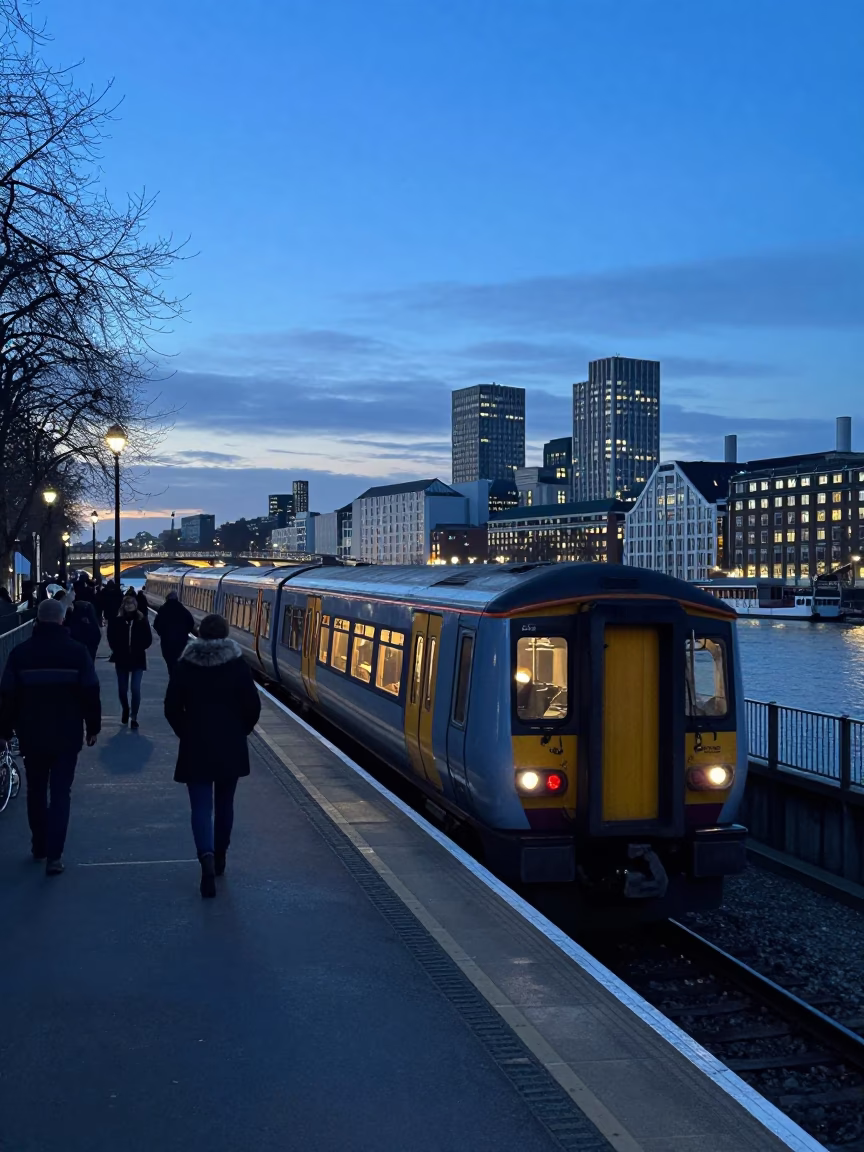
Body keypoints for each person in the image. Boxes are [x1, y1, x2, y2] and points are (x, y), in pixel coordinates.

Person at [0, 597, 100, 874]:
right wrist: (93, 726)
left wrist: (4, 730)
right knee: (60, 793)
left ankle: (39, 846)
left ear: (37, 620)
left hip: (31, 732)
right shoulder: (77, 652)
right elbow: (90, 691)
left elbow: (8, 695)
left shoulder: (20, 653)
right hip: (67, 732)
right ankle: (55, 855)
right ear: (61, 619)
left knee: (36, 789)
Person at [164, 613, 260, 898]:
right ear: (226, 634)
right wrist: (240, 731)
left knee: (201, 807)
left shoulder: (185, 665)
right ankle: (220, 856)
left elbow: (171, 707)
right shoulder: (238, 666)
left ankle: (205, 857)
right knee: (225, 803)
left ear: (200, 634)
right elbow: (252, 707)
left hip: (196, 745)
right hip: (230, 745)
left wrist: (186, 732)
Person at [107, 593, 152, 729]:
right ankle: (125, 708)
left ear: (135, 605)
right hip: (121, 658)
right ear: (123, 605)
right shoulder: (117, 621)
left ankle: (134, 716)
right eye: (127, 604)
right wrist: (117, 648)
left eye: (131, 604)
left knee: (135, 689)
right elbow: (111, 637)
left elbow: (148, 638)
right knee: (122, 689)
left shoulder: (141, 620)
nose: (129, 606)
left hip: (137, 658)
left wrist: (139, 647)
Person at [153, 591, 195, 676]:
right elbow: (191, 623)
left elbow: (156, 625)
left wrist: (162, 633)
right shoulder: (183, 610)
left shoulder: (163, 609)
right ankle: (177, 677)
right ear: (177, 599)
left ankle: (172, 676)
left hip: (166, 641)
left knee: (170, 662)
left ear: (167, 599)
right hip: (181, 641)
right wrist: (184, 633)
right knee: (179, 660)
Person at [63, 589, 102, 663]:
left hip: (75, 647)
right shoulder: (86, 608)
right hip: (85, 646)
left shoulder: (70, 613)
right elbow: (96, 634)